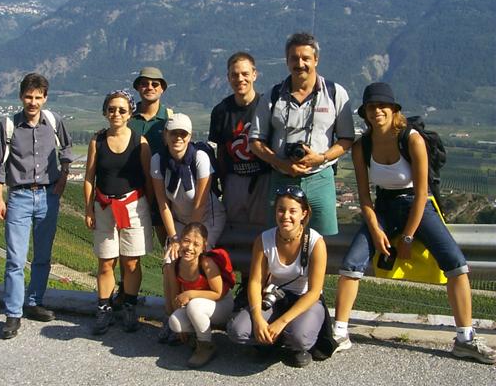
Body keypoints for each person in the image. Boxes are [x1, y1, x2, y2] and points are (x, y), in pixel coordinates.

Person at [333, 82, 496, 364]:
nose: (377, 112)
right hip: (382, 207)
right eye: (371, 107)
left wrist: (408, 236)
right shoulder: (362, 147)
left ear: (394, 110)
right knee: (351, 264)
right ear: (366, 113)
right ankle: (339, 333)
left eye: (383, 106)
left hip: (416, 206)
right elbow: (364, 197)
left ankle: (465, 339)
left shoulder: (411, 139)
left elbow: (422, 193)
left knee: (456, 264)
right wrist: (374, 228)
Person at [249, 32, 354, 236]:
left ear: (316, 59)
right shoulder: (272, 95)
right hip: (281, 176)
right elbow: (255, 140)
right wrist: (280, 162)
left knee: (324, 241)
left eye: (306, 58)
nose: (300, 63)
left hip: (320, 177)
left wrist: (321, 158)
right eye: (294, 58)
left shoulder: (335, 93)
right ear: (287, 61)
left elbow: (347, 139)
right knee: (278, 239)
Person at [0, 73, 73, 339]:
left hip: (48, 196)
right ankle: (13, 313)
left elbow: (67, 151)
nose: (33, 102)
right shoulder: (9, 126)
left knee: (43, 255)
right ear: (21, 97)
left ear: (45, 98)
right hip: (19, 197)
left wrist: (62, 179)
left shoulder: (54, 121)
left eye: (38, 97)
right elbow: (0, 166)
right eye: (29, 96)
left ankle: (34, 302)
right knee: (15, 259)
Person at [227, 186, 334, 368]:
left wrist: (281, 323)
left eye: (293, 211)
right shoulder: (264, 240)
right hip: (274, 297)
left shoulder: (316, 243)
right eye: (281, 210)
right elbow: (255, 281)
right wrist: (258, 319)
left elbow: (315, 291)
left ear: (304, 213)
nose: (286, 216)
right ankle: (269, 341)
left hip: (305, 300)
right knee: (238, 330)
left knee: (299, 337)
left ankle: (297, 348)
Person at [151, 113, 227, 343]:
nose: (178, 138)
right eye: (173, 133)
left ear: (190, 136)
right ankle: (173, 317)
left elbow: (201, 202)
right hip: (179, 222)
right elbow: (162, 203)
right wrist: (174, 237)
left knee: (193, 259)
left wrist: (185, 239)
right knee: (168, 262)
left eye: (183, 134)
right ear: (165, 135)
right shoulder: (158, 160)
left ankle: (198, 312)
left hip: (206, 220)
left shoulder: (200, 158)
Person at [83, 89, 153, 335]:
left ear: (130, 113)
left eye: (122, 110)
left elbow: (147, 178)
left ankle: (130, 306)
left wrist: (152, 210)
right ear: (105, 112)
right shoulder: (97, 141)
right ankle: (103, 308)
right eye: (112, 109)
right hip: (104, 207)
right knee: (106, 262)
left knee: (132, 262)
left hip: (133, 207)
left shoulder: (140, 143)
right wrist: (88, 207)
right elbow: (90, 177)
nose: (116, 113)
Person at [113, 67, 173, 308]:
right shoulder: (127, 117)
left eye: (155, 84)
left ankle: (173, 295)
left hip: (162, 195)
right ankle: (125, 295)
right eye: (145, 83)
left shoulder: (170, 119)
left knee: (169, 247)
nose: (150, 87)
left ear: (162, 89)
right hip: (132, 194)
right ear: (138, 87)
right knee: (126, 252)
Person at [209, 51, 270, 227]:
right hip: (234, 180)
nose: (240, 79)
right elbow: (220, 150)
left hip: (263, 179)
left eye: (245, 74)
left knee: (261, 231)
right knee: (235, 230)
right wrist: (222, 181)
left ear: (254, 75)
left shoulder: (267, 106)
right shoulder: (221, 111)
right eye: (235, 75)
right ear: (228, 77)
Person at [165, 222, 234, 368]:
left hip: (222, 305)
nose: (190, 248)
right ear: (180, 241)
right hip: (199, 307)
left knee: (194, 306)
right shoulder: (174, 266)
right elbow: (175, 297)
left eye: (196, 244)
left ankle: (205, 345)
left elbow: (218, 293)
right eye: (186, 241)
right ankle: (197, 334)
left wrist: (190, 293)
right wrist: (178, 328)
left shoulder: (207, 264)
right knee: (175, 322)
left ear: (204, 246)